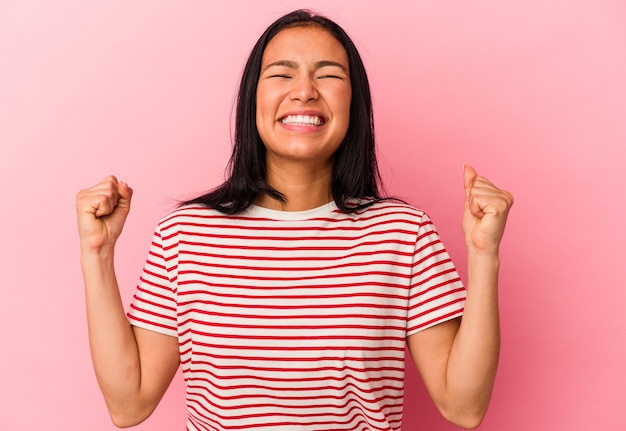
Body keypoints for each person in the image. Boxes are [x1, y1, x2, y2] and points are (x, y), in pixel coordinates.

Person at [76, 9, 513, 431]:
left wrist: (484, 253)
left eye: (328, 74)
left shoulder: (401, 233)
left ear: (353, 102)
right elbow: (129, 403)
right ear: (254, 99)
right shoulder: (186, 235)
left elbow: (464, 406)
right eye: (283, 74)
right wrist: (97, 253)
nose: (304, 91)